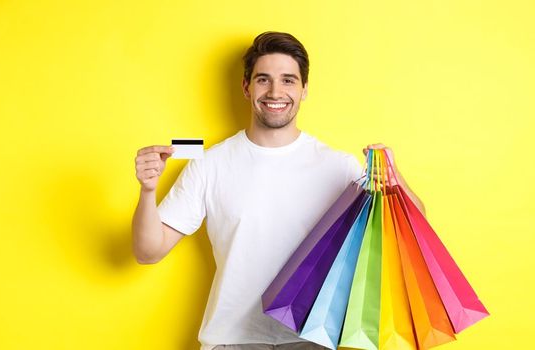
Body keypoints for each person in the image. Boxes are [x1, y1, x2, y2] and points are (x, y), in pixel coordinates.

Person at [132, 31, 427, 350]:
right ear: (246, 88)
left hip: (311, 339)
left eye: (288, 80)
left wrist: (396, 180)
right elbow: (148, 251)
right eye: (263, 79)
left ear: (304, 90)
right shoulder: (210, 164)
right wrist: (148, 191)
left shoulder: (339, 167)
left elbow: (409, 234)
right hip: (232, 340)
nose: (275, 91)